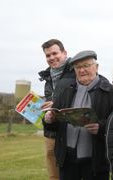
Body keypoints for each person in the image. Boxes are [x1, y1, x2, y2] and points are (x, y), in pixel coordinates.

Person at [43, 50, 113, 180]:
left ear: (96, 67)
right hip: (67, 158)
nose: (82, 70)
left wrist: (100, 128)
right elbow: (54, 126)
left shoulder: (109, 91)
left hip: (95, 160)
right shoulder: (65, 89)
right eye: (78, 67)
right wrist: (49, 120)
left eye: (86, 66)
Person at [38, 39, 75, 180]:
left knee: (71, 173)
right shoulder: (47, 77)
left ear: (64, 53)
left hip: (70, 131)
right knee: (53, 175)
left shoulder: (75, 71)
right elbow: (50, 101)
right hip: (51, 132)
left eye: (55, 53)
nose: (52, 58)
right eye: (48, 55)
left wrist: (56, 103)